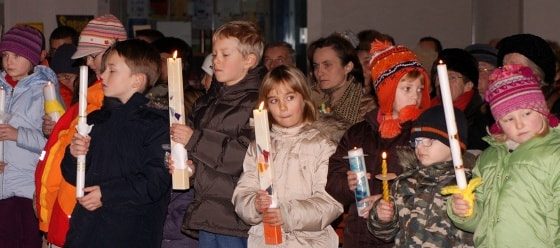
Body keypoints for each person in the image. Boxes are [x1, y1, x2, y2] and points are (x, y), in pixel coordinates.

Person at [60, 39, 170, 248]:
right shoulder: (95, 120)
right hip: (87, 230)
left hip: (129, 233)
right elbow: (73, 176)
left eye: (112, 70)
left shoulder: (155, 126)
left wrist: (107, 193)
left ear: (136, 80)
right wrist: (75, 155)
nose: (102, 76)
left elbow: (155, 181)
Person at [168, 20, 266, 248]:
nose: (216, 61)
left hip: (237, 215)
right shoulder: (205, 103)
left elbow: (246, 157)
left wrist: (195, 139)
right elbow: (200, 158)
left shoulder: (259, 103)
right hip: (207, 211)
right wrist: (188, 168)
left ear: (248, 61)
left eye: (225, 54)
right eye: (214, 54)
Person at [326, 40, 431, 248]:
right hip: (359, 235)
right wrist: (347, 184)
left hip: (401, 236)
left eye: (420, 90)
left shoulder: (422, 134)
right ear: (387, 91)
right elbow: (333, 178)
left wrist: (389, 199)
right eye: (407, 88)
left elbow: (429, 183)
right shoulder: (358, 133)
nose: (415, 97)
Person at [34, 14, 127, 247]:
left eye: (93, 56)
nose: (89, 64)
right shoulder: (88, 99)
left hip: (81, 218)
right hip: (65, 212)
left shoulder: (110, 104)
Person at [448, 64, 560, 247]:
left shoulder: (555, 154)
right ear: (498, 123)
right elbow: (481, 220)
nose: (519, 124)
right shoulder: (488, 159)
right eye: (508, 119)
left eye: (526, 113)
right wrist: (465, 211)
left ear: (541, 111)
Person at [232, 65, 343, 247]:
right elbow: (243, 193)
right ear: (266, 106)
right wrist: (254, 204)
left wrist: (287, 214)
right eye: (274, 101)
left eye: (290, 98)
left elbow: (331, 201)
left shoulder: (322, 145)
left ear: (305, 99)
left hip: (310, 241)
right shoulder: (259, 147)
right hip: (265, 241)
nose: (283, 107)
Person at [368, 105, 474, 247]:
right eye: (416, 141)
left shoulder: (467, 184)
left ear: (454, 143)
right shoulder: (405, 182)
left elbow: (477, 230)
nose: (419, 147)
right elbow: (386, 234)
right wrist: (382, 217)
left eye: (429, 141)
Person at [0, 24, 61, 248]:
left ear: (33, 57)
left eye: (17, 55)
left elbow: (56, 141)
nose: (9, 61)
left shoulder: (45, 90)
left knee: (27, 240)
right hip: (1, 187)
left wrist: (19, 134)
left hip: (29, 186)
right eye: (5, 55)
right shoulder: (0, 87)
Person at [308, 34, 376, 124]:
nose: (319, 72)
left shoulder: (365, 106)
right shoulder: (308, 100)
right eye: (316, 66)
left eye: (327, 65)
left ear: (348, 67)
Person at [431, 48, 490, 150]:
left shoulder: (480, 121)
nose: (443, 82)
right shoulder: (426, 112)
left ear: (468, 85)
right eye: (439, 76)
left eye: (452, 77)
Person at [497, 33, 558, 115]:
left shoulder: (555, 109)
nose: (505, 74)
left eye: (514, 67)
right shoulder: (499, 106)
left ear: (537, 74)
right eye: (503, 68)